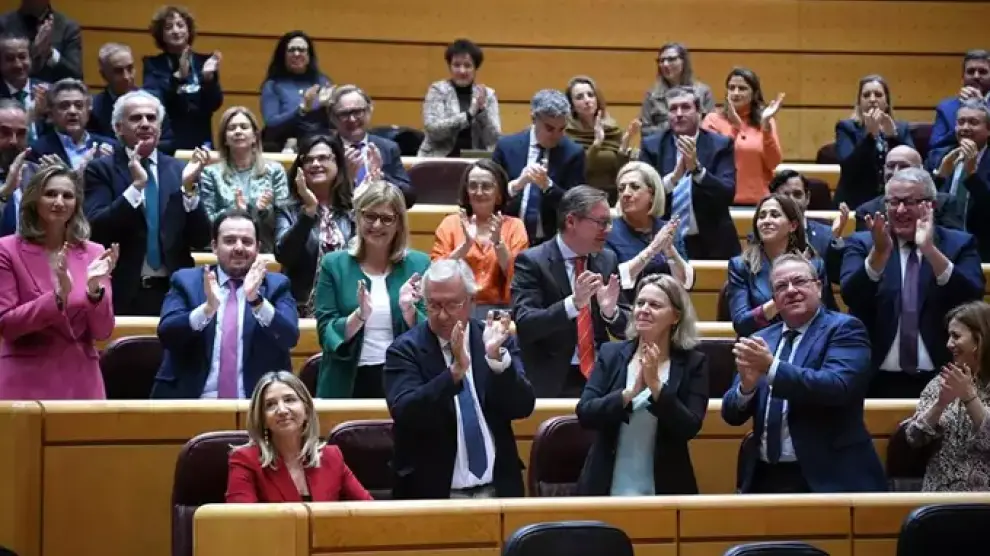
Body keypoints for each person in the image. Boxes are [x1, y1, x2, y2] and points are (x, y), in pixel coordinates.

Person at [722, 254, 886, 493]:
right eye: (780, 286)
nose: (790, 290)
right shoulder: (762, 339)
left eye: (799, 281)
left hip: (829, 477)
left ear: (818, 287)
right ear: (774, 298)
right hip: (766, 477)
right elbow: (730, 414)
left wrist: (771, 368)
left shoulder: (845, 329)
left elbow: (838, 387)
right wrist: (746, 388)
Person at [383, 259, 535, 499]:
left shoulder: (494, 340)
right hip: (434, 495)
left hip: (499, 490)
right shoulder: (404, 350)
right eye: (433, 305)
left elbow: (523, 406)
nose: (442, 315)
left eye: (452, 304)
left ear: (471, 302)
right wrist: (454, 372)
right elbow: (405, 412)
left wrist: (497, 361)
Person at [840, 168, 985, 398]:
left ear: (931, 205)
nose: (900, 210)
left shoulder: (960, 244)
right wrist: (879, 254)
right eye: (893, 202)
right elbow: (851, 296)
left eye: (909, 202)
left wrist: (929, 249)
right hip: (875, 380)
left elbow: (971, 298)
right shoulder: (863, 244)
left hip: (944, 379)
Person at [576, 274, 707, 496]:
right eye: (640, 303)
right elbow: (585, 413)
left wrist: (656, 387)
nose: (644, 309)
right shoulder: (612, 354)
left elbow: (689, 427)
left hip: (666, 487)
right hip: (605, 484)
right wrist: (628, 394)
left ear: (675, 316)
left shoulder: (694, 363)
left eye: (655, 305)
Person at [83, 90, 212, 316]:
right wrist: (136, 188)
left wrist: (189, 190)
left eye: (151, 118)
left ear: (160, 128)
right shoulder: (101, 169)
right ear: (118, 128)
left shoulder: (180, 170)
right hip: (123, 292)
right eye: (135, 118)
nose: (145, 124)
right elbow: (96, 229)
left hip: (174, 293)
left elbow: (201, 238)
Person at [152, 209, 299, 399]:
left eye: (247, 242)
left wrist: (257, 302)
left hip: (256, 406)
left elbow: (289, 337)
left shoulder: (276, 285)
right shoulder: (186, 281)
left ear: (258, 248)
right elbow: (167, 334)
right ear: (214, 246)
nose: (239, 248)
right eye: (229, 241)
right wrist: (207, 309)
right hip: (191, 401)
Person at [0, 165, 117, 399]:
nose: (59, 201)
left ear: (77, 204)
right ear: (34, 198)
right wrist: (57, 297)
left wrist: (94, 292)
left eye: (68, 195)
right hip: (24, 382)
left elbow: (103, 331)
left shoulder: (94, 252)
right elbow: (6, 325)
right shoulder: (7, 249)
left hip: (82, 382)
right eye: (51, 194)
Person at [312, 182, 429, 398]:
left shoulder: (418, 265)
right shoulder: (333, 264)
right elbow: (325, 332)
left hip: (404, 379)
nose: (376, 225)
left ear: (399, 224)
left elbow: (431, 333)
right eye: (370, 216)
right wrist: (359, 316)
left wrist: (409, 311)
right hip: (346, 380)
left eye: (386, 218)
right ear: (358, 216)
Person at [511, 186, 629, 397]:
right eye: (601, 222)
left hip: (599, 377)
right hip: (551, 378)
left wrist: (612, 313)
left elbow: (627, 326)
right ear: (571, 221)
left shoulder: (606, 259)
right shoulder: (532, 262)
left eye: (609, 222)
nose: (608, 229)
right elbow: (526, 324)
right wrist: (573, 304)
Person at [226, 371, 373, 502]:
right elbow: (242, 525)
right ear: (261, 418)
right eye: (270, 405)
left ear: (307, 409)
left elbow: (370, 513)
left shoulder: (331, 457)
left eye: (289, 399)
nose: (282, 410)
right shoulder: (245, 460)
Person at [639, 86, 738, 260]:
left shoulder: (721, 145)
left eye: (685, 107)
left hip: (712, 242)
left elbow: (726, 194)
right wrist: (673, 179)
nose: (678, 113)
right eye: (673, 109)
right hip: (662, 241)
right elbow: (643, 195)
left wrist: (697, 171)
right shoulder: (652, 146)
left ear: (699, 112)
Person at [902, 301, 990, 492]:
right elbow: (913, 439)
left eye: (956, 336)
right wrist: (939, 404)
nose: (949, 344)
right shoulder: (940, 382)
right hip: (939, 499)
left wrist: (969, 398)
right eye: (949, 336)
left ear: (979, 339)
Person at [430, 159, 528, 318]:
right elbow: (437, 273)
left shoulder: (515, 226)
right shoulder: (450, 224)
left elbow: (518, 276)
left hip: (501, 311)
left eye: (487, 186)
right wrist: (465, 246)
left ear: (499, 194)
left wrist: (498, 243)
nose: (479, 192)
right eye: (473, 186)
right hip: (456, 309)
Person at [727, 194, 834, 337]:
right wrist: (781, 299)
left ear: (793, 225)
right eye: (762, 216)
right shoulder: (741, 266)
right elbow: (741, 323)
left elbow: (823, 316)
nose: (766, 221)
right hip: (759, 344)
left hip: (804, 343)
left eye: (775, 215)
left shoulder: (813, 265)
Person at [493, 89, 585, 245]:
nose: (556, 135)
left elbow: (576, 206)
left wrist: (548, 186)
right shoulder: (506, 147)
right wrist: (517, 185)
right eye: (549, 128)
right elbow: (491, 197)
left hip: (551, 242)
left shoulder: (573, 153)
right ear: (534, 119)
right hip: (507, 238)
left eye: (561, 129)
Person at [275, 134, 354, 314]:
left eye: (323, 158)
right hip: (299, 308)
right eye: (308, 160)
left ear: (338, 163)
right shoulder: (287, 209)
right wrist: (309, 212)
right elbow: (284, 255)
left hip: (347, 309)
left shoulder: (353, 209)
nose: (316, 164)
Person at [200, 106, 290, 253]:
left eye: (244, 127)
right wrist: (233, 211)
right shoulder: (210, 174)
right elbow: (206, 222)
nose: (238, 132)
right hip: (225, 251)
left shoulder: (275, 171)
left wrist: (264, 211)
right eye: (232, 128)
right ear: (225, 138)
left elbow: (285, 220)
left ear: (255, 136)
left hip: (265, 250)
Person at [142, 5, 223, 151]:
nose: (175, 31)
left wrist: (208, 79)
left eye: (180, 25)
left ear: (188, 30)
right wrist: (178, 78)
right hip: (169, 145)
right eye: (168, 27)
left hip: (201, 142)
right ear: (161, 35)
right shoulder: (154, 66)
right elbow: (155, 102)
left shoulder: (204, 62)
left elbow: (214, 104)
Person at [702, 67, 784, 205]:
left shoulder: (765, 121)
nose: (735, 93)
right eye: (731, 88)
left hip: (758, 202)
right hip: (721, 201)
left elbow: (773, 162)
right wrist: (735, 128)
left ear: (754, 93)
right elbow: (711, 159)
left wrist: (766, 127)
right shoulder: (713, 120)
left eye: (742, 88)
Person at [605, 161, 692, 291]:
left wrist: (670, 251)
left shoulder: (667, 230)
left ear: (652, 194)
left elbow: (686, 283)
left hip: (667, 304)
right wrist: (652, 249)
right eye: (621, 189)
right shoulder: (608, 232)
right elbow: (614, 280)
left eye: (634, 187)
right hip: (627, 306)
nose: (626, 194)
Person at [833, 75, 914, 210]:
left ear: (887, 101)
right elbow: (848, 168)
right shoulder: (846, 128)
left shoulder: (901, 129)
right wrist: (870, 136)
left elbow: (913, 166)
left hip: (896, 202)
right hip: (855, 203)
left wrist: (893, 137)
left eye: (878, 95)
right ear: (859, 102)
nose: (872, 99)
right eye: (866, 95)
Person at [328, 85, 413, 207]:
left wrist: (381, 176)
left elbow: (409, 198)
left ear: (369, 110)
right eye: (344, 114)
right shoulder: (325, 150)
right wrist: (345, 178)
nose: (352, 119)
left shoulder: (387, 148)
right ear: (333, 118)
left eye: (357, 112)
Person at [929, 98, 990, 261]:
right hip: (941, 248)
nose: (965, 128)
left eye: (973, 122)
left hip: (983, 248)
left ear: (988, 129)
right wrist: (940, 176)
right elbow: (922, 202)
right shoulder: (938, 157)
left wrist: (972, 177)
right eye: (961, 122)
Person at [418, 39, 500, 158]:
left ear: (475, 68)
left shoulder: (488, 95)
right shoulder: (437, 90)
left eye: (467, 66)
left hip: (475, 163)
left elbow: (493, 139)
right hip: (438, 161)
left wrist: (482, 113)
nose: (462, 71)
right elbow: (434, 131)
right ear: (450, 67)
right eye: (456, 65)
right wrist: (468, 115)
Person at [564, 75, 640, 204]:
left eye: (590, 95)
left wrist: (624, 145)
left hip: (612, 197)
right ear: (571, 105)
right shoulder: (567, 133)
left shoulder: (612, 129)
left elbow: (619, 171)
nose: (587, 100)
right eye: (579, 97)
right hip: (581, 199)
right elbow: (579, 171)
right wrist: (596, 144)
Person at [88, 43, 176, 154]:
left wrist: (141, 147)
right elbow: (94, 143)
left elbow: (168, 143)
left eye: (130, 68)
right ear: (104, 75)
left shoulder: (153, 100)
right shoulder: (95, 107)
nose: (127, 76)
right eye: (118, 71)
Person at [855, 145, 963, 233]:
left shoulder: (944, 204)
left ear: (921, 170)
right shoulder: (867, 211)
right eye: (891, 166)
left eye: (904, 167)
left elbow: (954, 245)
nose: (896, 172)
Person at [259, 31, 334, 152]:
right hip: (282, 146)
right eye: (291, 50)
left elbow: (332, 124)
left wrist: (331, 107)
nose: (297, 54)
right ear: (283, 55)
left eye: (302, 50)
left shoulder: (322, 81)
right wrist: (302, 109)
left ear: (309, 55)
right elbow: (272, 124)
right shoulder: (272, 85)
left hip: (318, 146)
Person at [767, 169, 849, 274]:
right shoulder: (764, 233)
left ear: (807, 198)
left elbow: (837, 276)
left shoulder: (826, 234)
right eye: (785, 195)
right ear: (773, 199)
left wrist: (835, 239)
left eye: (797, 194)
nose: (792, 200)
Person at [27, 78, 116, 170]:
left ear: (88, 111)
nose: (72, 111)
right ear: (51, 113)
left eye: (78, 105)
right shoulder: (39, 151)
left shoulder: (110, 147)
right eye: (64, 106)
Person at [639, 42, 714, 137]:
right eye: (661, 61)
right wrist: (674, 125)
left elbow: (711, 128)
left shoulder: (703, 92)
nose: (665, 64)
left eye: (671, 59)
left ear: (684, 62)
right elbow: (645, 131)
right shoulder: (652, 95)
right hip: (662, 149)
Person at [0, 0, 81, 82]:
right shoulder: (3, 25)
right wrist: (33, 52)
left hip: (52, 92)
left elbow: (76, 76)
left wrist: (50, 54)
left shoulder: (67, 28)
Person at [930, 49, 990, 154]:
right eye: (971, 72)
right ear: (963, 77)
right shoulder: (946, 108)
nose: (976, 76)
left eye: (983, 72)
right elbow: (935, 150)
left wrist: (983, 107)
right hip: (955, 164)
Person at [0, 33, 47, 144]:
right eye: (10, 59)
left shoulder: (47, 91)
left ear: (30, 58)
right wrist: (31, 117)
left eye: (22, 57)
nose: (18, 65)